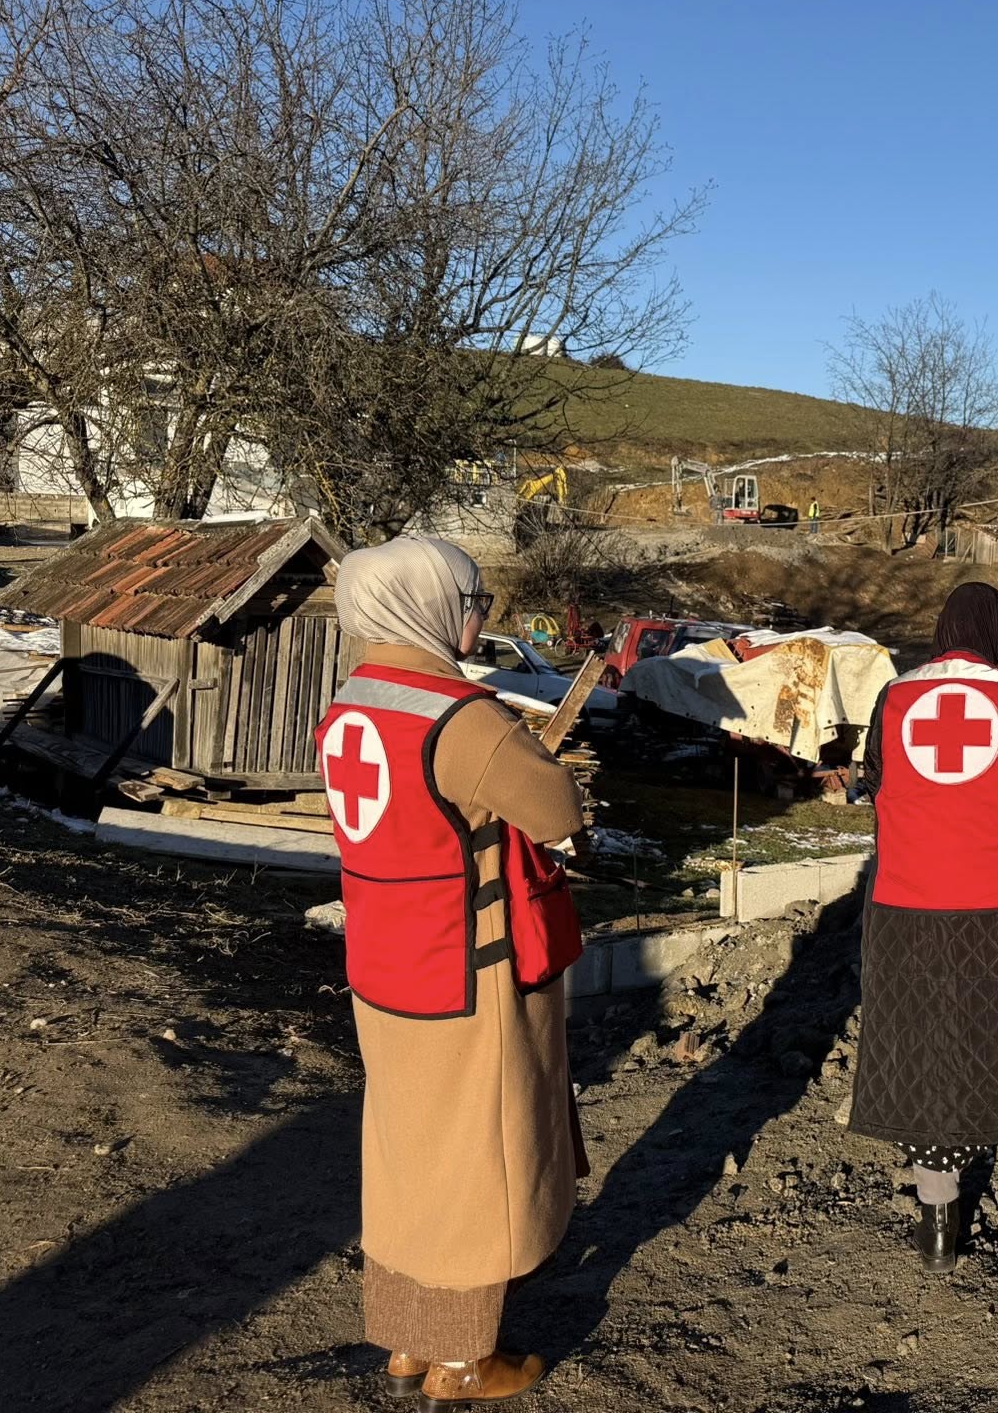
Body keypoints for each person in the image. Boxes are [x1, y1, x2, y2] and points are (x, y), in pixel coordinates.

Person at [319, 536, 589, 1408]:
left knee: (408, 1153)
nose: (483, 615)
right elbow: (554, 808)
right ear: (429, 607)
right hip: (469, 972)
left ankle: (407, 1337)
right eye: (472, 598)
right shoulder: (457, 715)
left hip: (384, 965)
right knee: (477, 1161)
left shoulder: (350, 705)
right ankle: (464, 1358)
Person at [849, 581, 998, 1271]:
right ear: (996, 633)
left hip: (906, 902)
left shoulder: (895, 698)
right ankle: (975, 1145)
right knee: (991, 1031)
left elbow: (874, 781)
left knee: (921, 1042)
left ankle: (935, 1209)